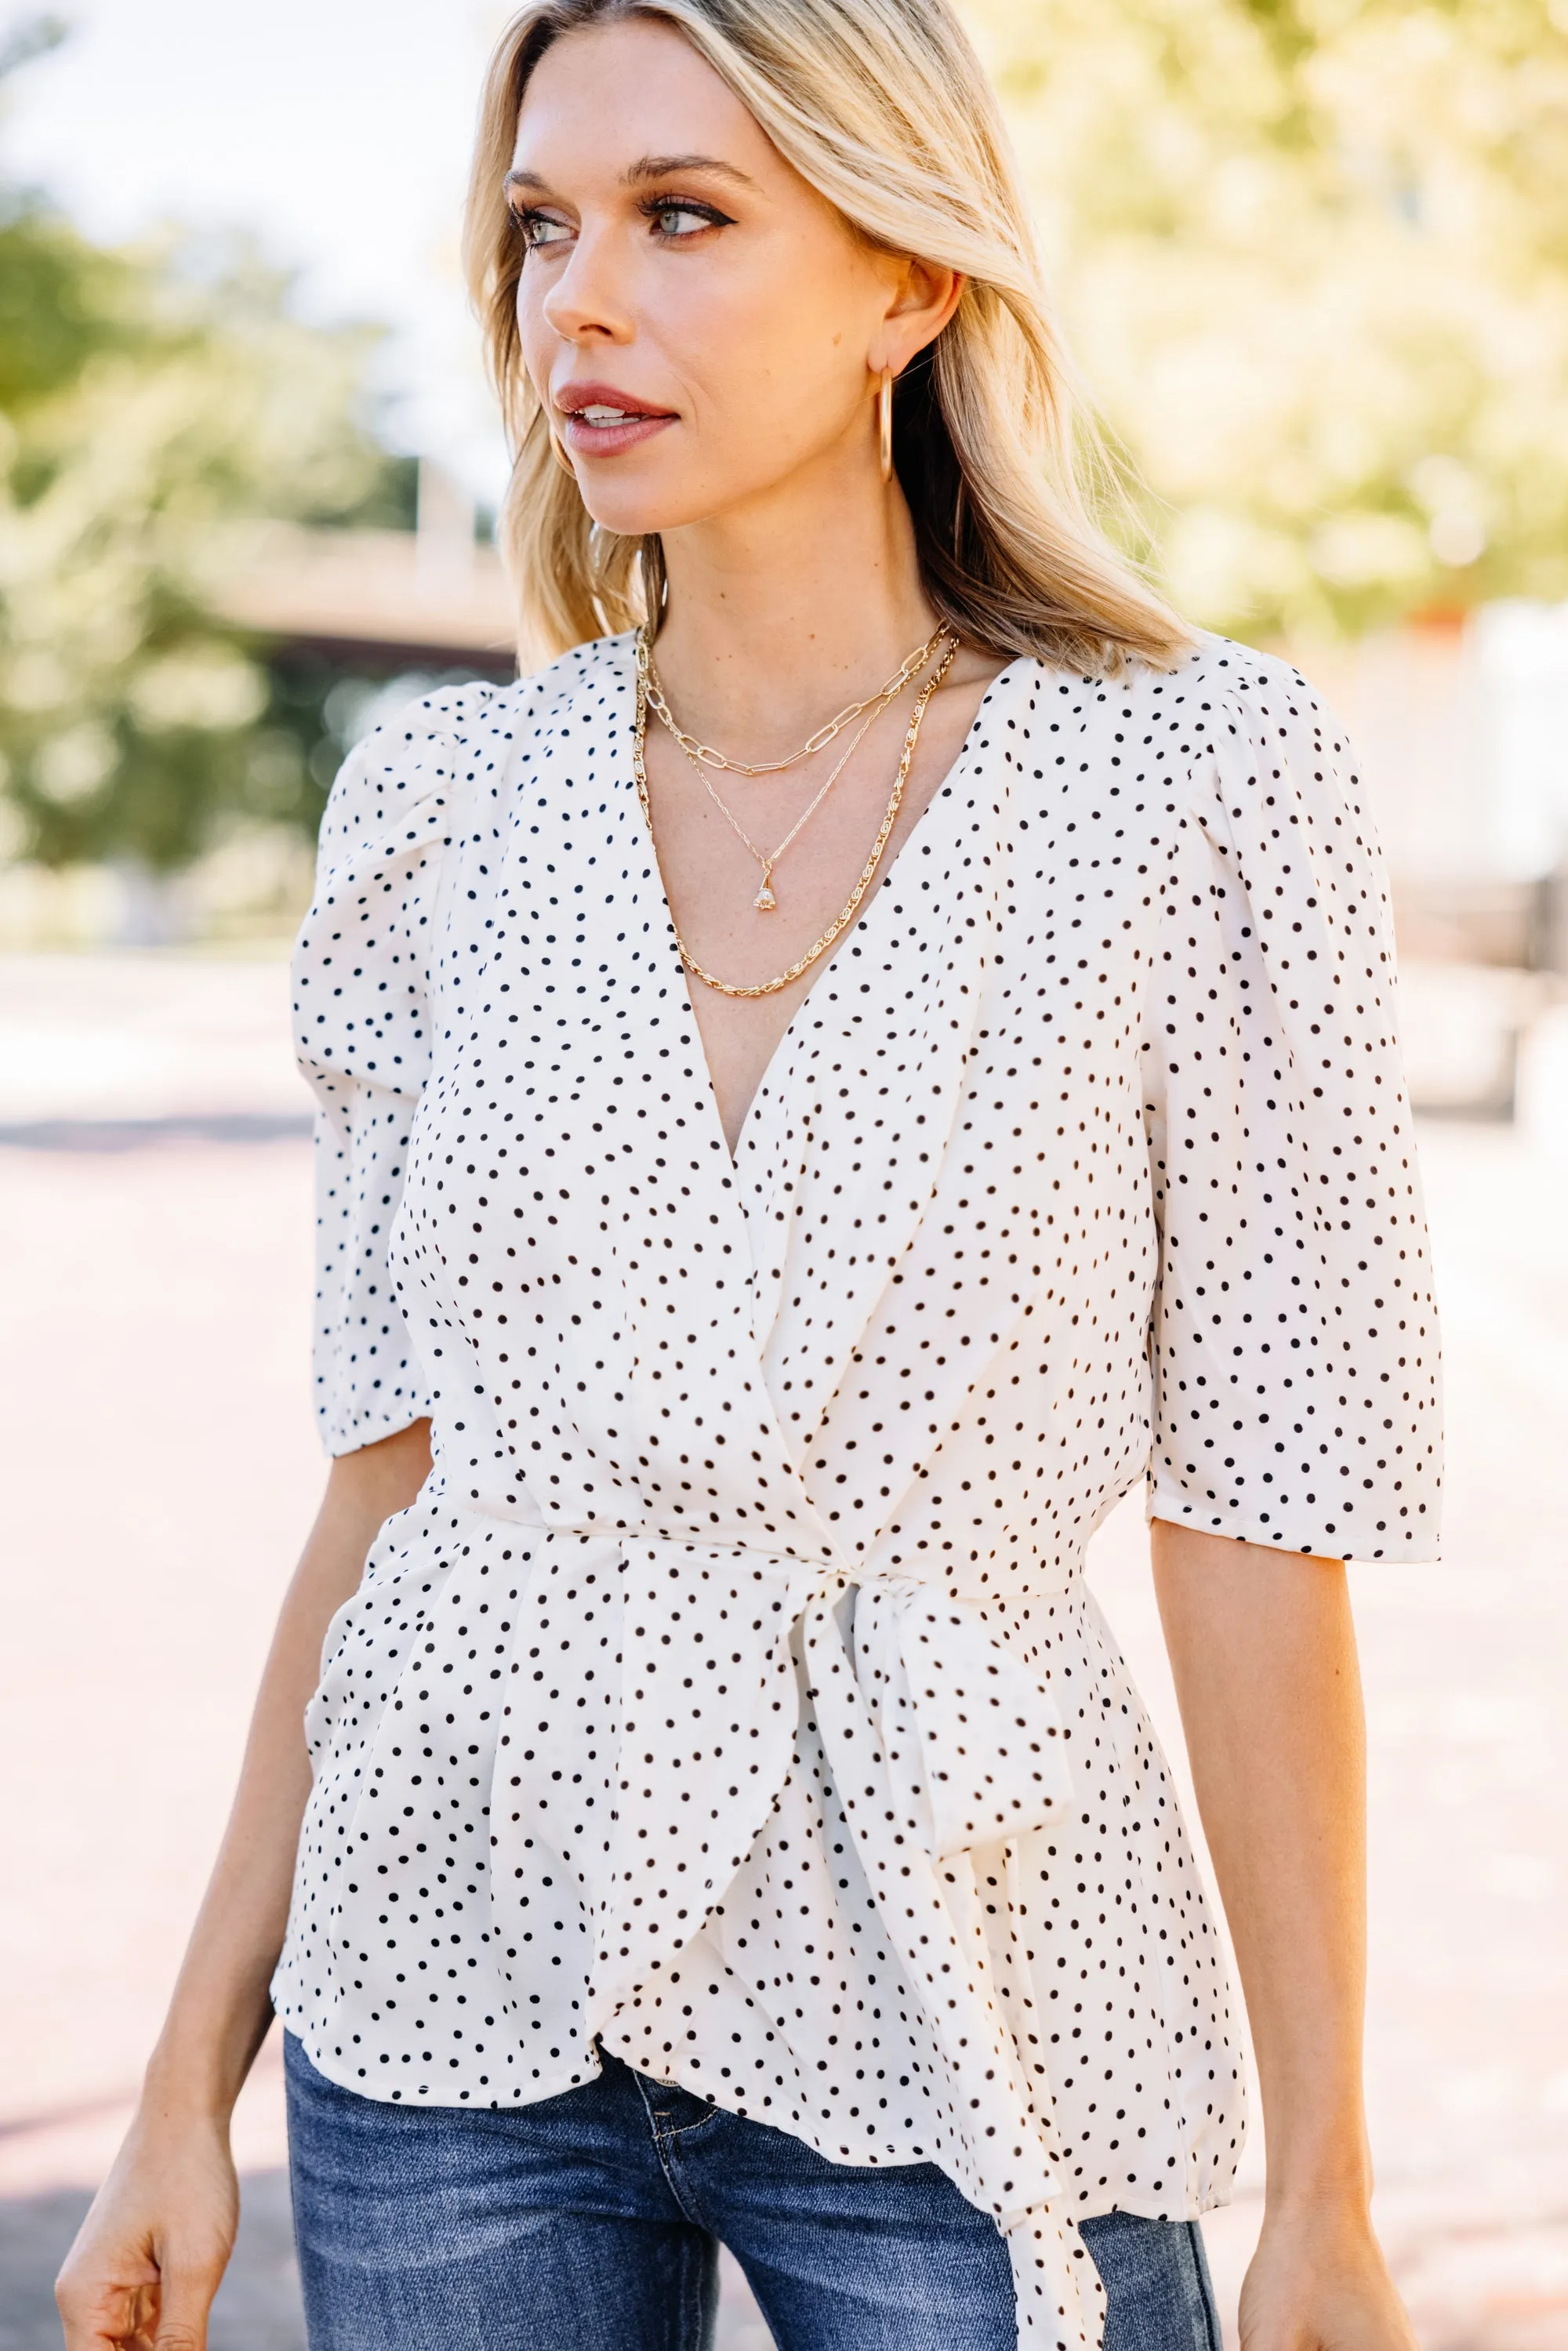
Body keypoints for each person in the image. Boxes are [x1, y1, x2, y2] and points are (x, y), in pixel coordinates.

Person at [56, 3, 1443, 2347]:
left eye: (683, 216)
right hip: (447, 1978)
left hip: (975, 1980)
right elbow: (387, 1501)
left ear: (912, 278)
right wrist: (182, 2084)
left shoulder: (1198, 788)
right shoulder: (437, 813)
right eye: (539, 227)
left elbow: (1257, 1509)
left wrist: (1325, 2178)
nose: (575, 299)